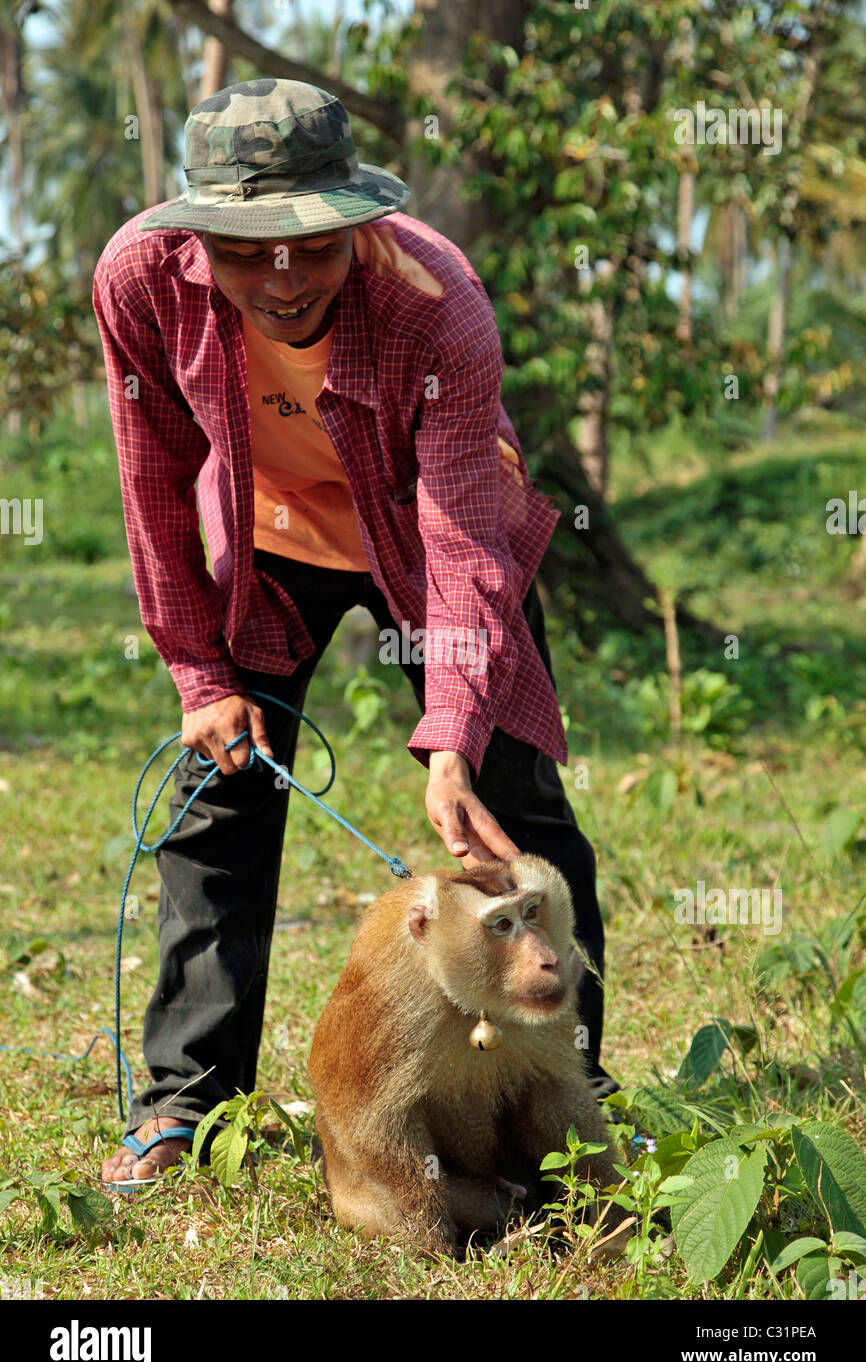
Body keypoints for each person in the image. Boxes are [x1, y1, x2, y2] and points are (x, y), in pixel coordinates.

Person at [93, 78, 618, 1191]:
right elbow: (151, 482)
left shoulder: (435, 298)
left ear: (353, 222)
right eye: (247, 252)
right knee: (217, 800)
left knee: (508, 806)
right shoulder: (138, 282)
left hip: (427, 537)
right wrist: (198, 676)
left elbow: (465, 534)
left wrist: (451, 737)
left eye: (311, 246)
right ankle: (190, 1103)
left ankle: (569, 1090)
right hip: (266, 537)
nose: (282, 280)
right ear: (199, 241)